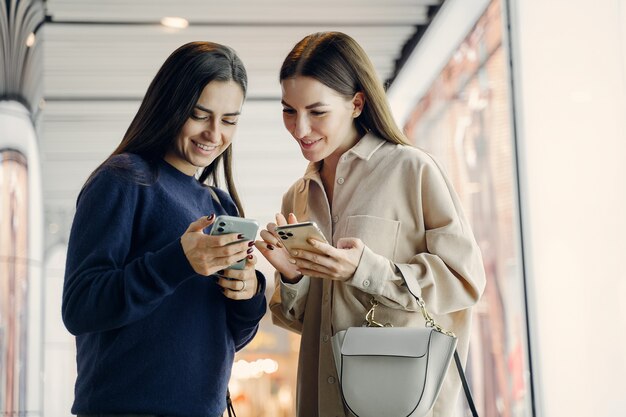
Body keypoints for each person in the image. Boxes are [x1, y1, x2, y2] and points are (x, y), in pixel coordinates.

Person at [255, 32, 486, 417]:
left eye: (317, 111)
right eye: (289, 111)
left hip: (401, 404)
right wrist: (293, 280)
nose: (300, 128)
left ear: (357, 103)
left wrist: (365, 270)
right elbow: (314, 326)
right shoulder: (297, 197)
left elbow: (464, 281)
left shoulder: (413, 170)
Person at [62, 41, 267, 417]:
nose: (214, 133)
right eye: (199, 114)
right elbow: (80, 307)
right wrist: (178, 261)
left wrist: (248, 294)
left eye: (230, 120)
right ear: (171, 105)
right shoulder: (123, 180)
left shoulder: (220, 204)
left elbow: (229, 339)